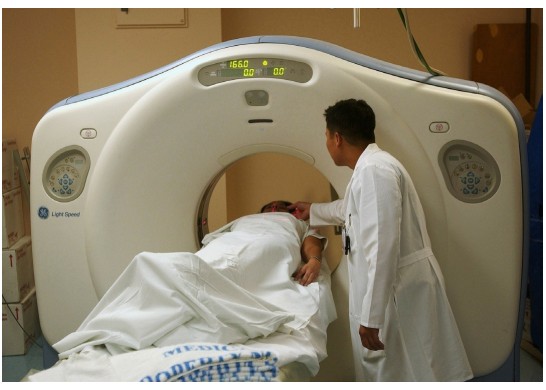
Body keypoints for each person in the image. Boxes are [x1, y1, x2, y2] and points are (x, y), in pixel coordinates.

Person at [289, 99, 473, 381]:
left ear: (337, 138)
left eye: (326, 136)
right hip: (396, 292)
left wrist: (371, 318)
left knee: (403, 372)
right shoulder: (370, 169)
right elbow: (350, 211)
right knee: (407, 370)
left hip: (398, 296)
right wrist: (312, 210)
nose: (326, 143)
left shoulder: (375, 172)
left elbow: (382, 247)